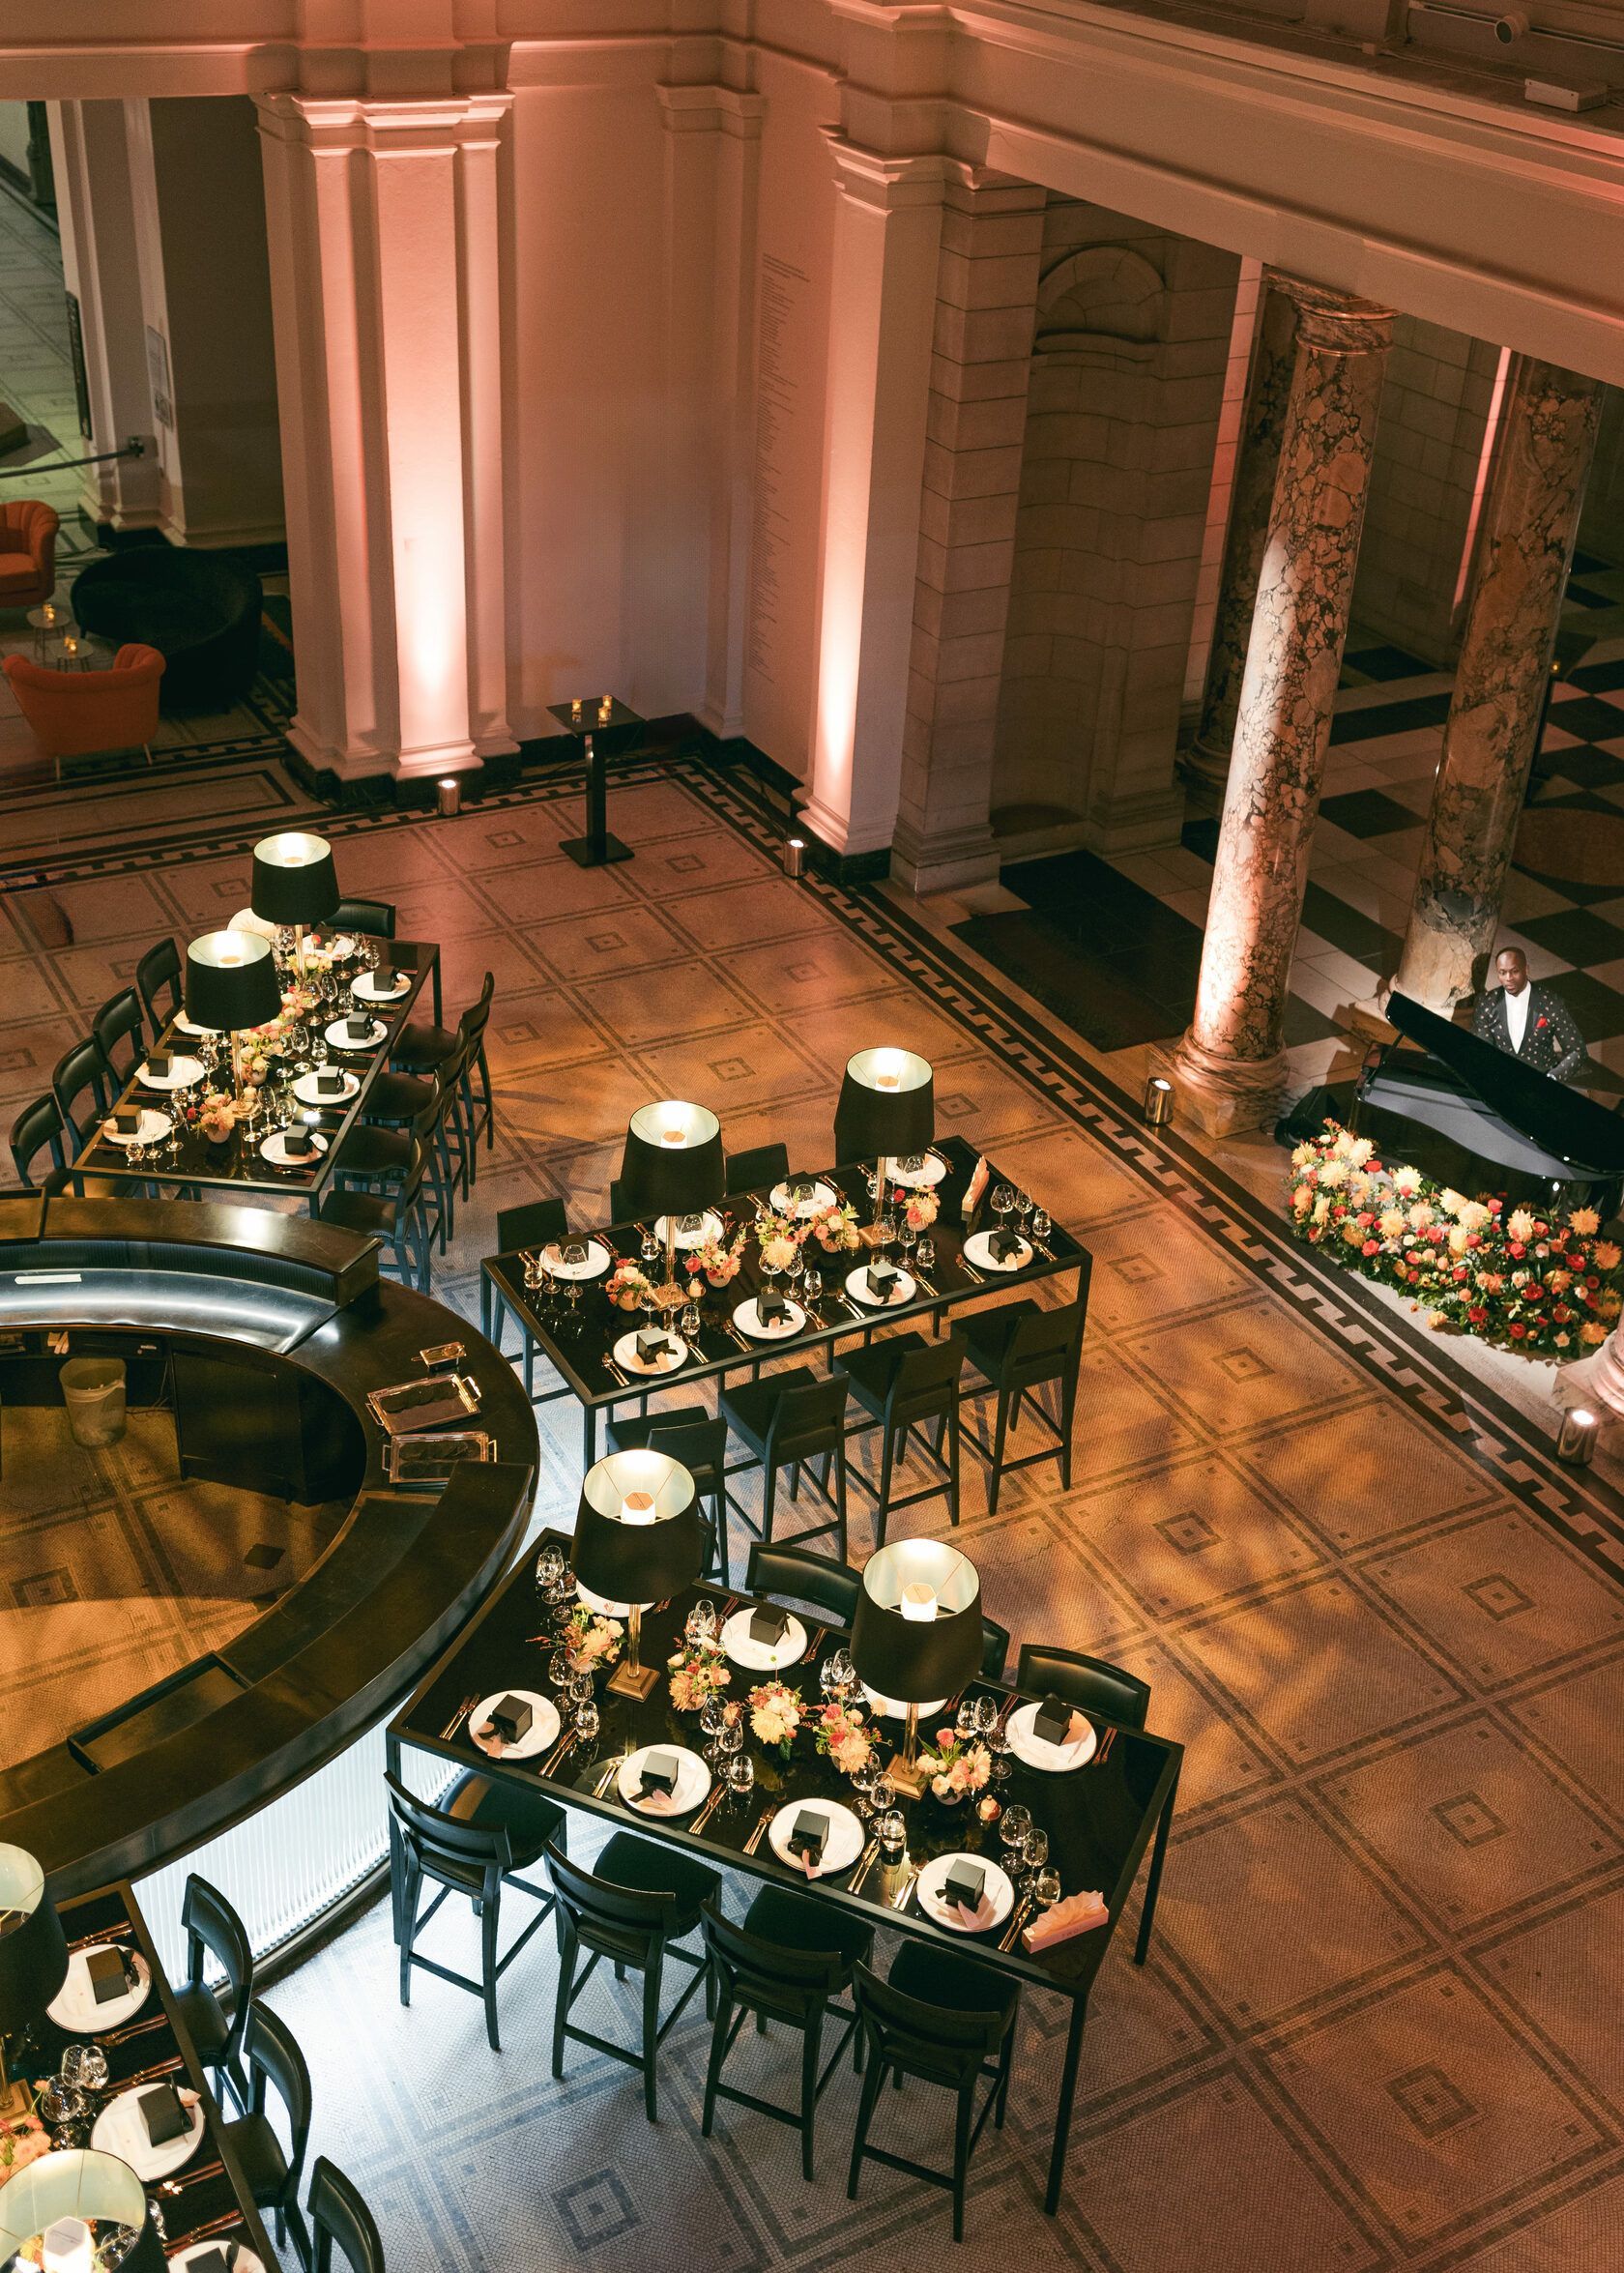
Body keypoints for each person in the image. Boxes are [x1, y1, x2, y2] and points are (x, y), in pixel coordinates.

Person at [1472, 946, 1586, 1082]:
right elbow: (1482, 1049)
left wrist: (1553, 1078)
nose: (1508, 978)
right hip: (1501, 1082)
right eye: (1502, 972)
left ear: (1526, 969)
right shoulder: (1486, 1003)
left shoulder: (1549, 1002)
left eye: (1514, 971)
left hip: (1542, 1082)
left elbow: (1577, 1051)